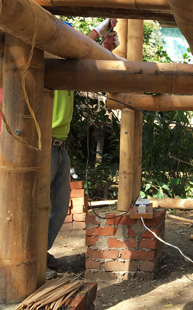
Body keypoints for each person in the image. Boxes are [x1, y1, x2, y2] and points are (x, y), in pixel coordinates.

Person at [46, 18, 119, 279]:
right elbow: (84, 41)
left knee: (59, 202)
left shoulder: (66, 66)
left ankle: (40, 252)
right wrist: (101, 28)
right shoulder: (47, 57)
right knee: (37, 204)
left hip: (59, 146)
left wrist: (107, 38)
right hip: (42, 143)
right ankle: (28, 257)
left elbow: (89, 49)